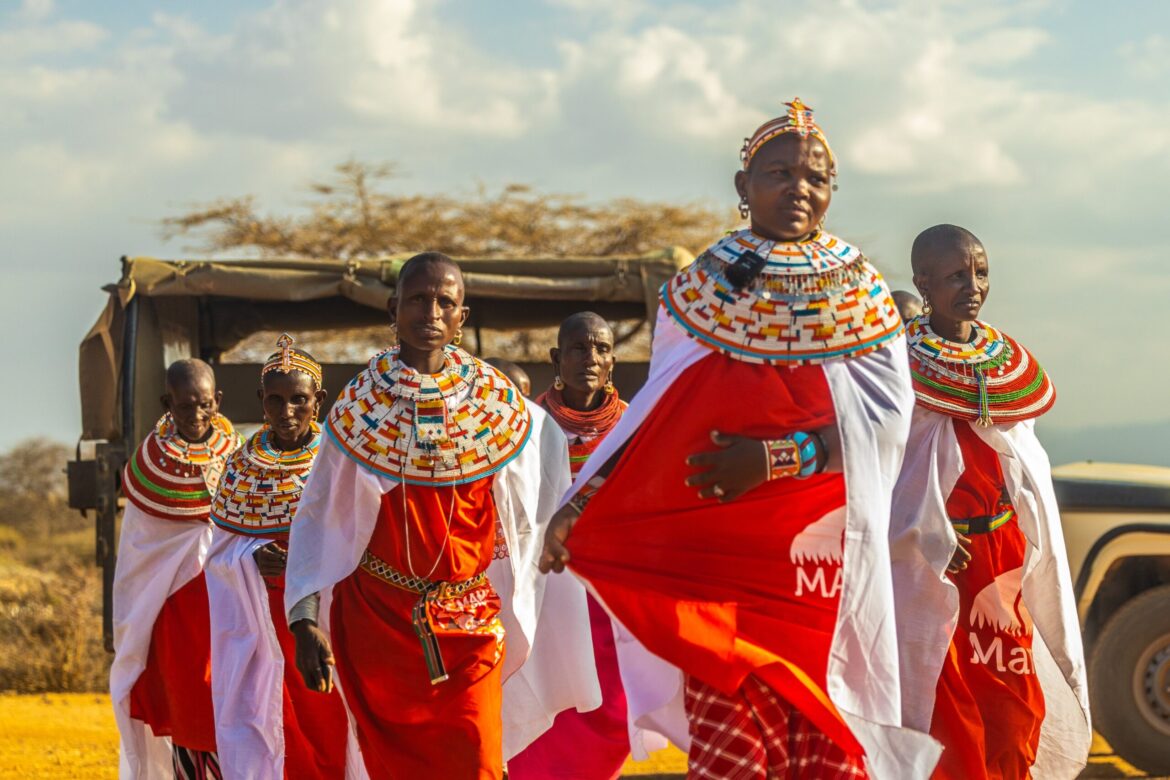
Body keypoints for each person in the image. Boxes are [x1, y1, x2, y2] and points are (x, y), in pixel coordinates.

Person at [541, 98, 939, 779]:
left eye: (815, 177)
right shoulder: (697, 291)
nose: (799, 188)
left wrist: (775, 459)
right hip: (719, 554)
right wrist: (584, 503)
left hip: (819, 556)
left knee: (823, 720)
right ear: (743, 188)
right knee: (733, 729)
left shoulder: (865, 294)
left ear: (832, 189)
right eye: (779, 173)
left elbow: (884, 424)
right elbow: (657, 416)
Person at [284, 252, 601, 779]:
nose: (430, 312)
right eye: (417, 299)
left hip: (471, 620)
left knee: (477, 758)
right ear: (393, 308)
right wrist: (305, 618)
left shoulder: (502, 406)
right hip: (377, 624)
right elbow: (320, 517)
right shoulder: (358, 406)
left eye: (445, 302)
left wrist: (561, 527)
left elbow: (545, 474)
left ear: (462, 317)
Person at [890, 225, 1090, 779]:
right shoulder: (896, 367)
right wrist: (924, 526)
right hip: (927, 564)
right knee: (945, 702)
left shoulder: (1003, 362)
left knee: (1013, 698)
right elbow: (885, 470)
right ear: (922, 282)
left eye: (980, 272)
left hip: (1000, 555)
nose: (973, 285)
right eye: (956, 275)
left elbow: (1026, 463)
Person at [204, 336, 359, 779]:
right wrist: (251, 556)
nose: (287, 411)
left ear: (319, 401)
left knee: (331, 719)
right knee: (275, 719)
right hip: (262, 618)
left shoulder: (341, 461)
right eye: (275, 400)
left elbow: (363, 536)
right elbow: (218, 554)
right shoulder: (238, 466)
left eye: (299, 400)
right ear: (260, 401)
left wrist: (309, 563)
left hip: (331, 614)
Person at [509, 312, 631, 780]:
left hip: (608, 594)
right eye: (579, 349)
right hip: (543, 589)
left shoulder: (632, 428)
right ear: (557, 359)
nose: (590, 358)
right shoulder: (527, 427)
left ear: (613, 362)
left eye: (601, 349)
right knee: (546, 695)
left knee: (611, 705)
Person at [110, 359, 242, 779]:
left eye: (204, 404)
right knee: (189, 702)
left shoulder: (237, 454)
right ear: (168, 403)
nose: (196, 415)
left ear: (217, 400)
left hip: (231, 604)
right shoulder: (151, 463)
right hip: (174, 610)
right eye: (185, 406)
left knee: (234, 697)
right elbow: (140, 555)